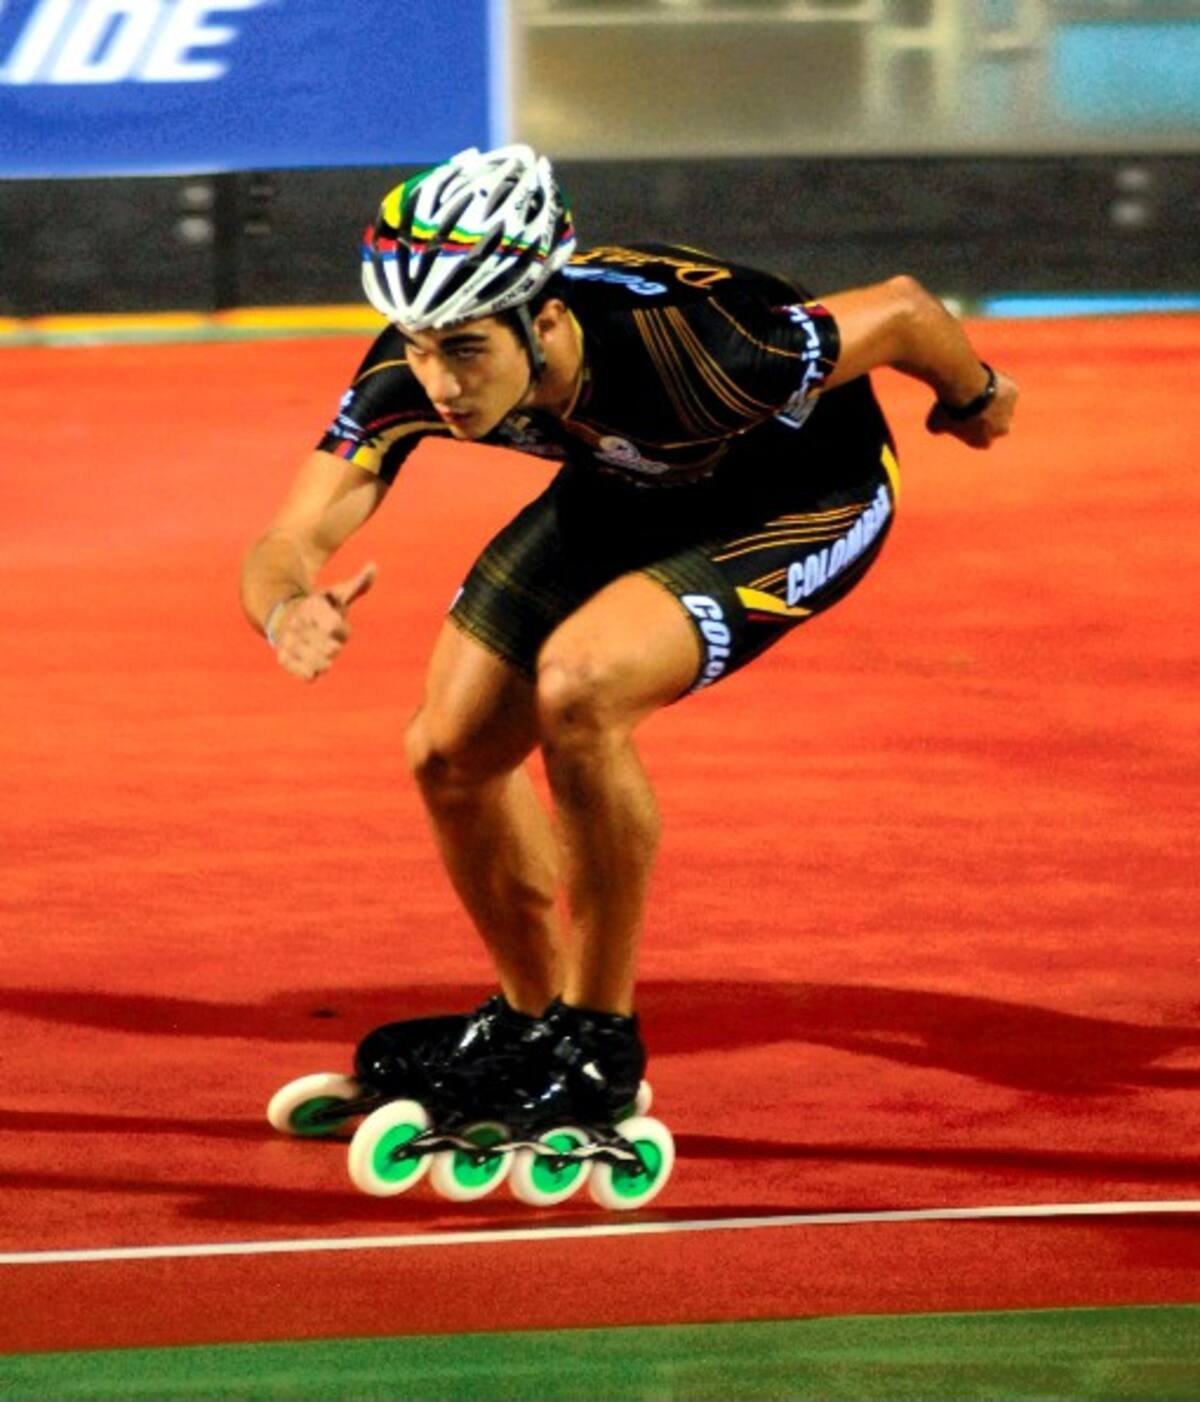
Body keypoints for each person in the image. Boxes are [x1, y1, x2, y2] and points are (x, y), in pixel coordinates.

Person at [244, 144, 1017, 1203]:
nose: (440, 380)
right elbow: (288, 536)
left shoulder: (705, 348)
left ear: (544, 321)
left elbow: (901, 310)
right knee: (446, 749)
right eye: (421, 347)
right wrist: (288, 608)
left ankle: (598, 1042)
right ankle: (528, 1021)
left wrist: (973, 401)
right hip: (627, 479)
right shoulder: (417, 361)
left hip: (801, 495)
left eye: (466, 350)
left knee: (582, 682)